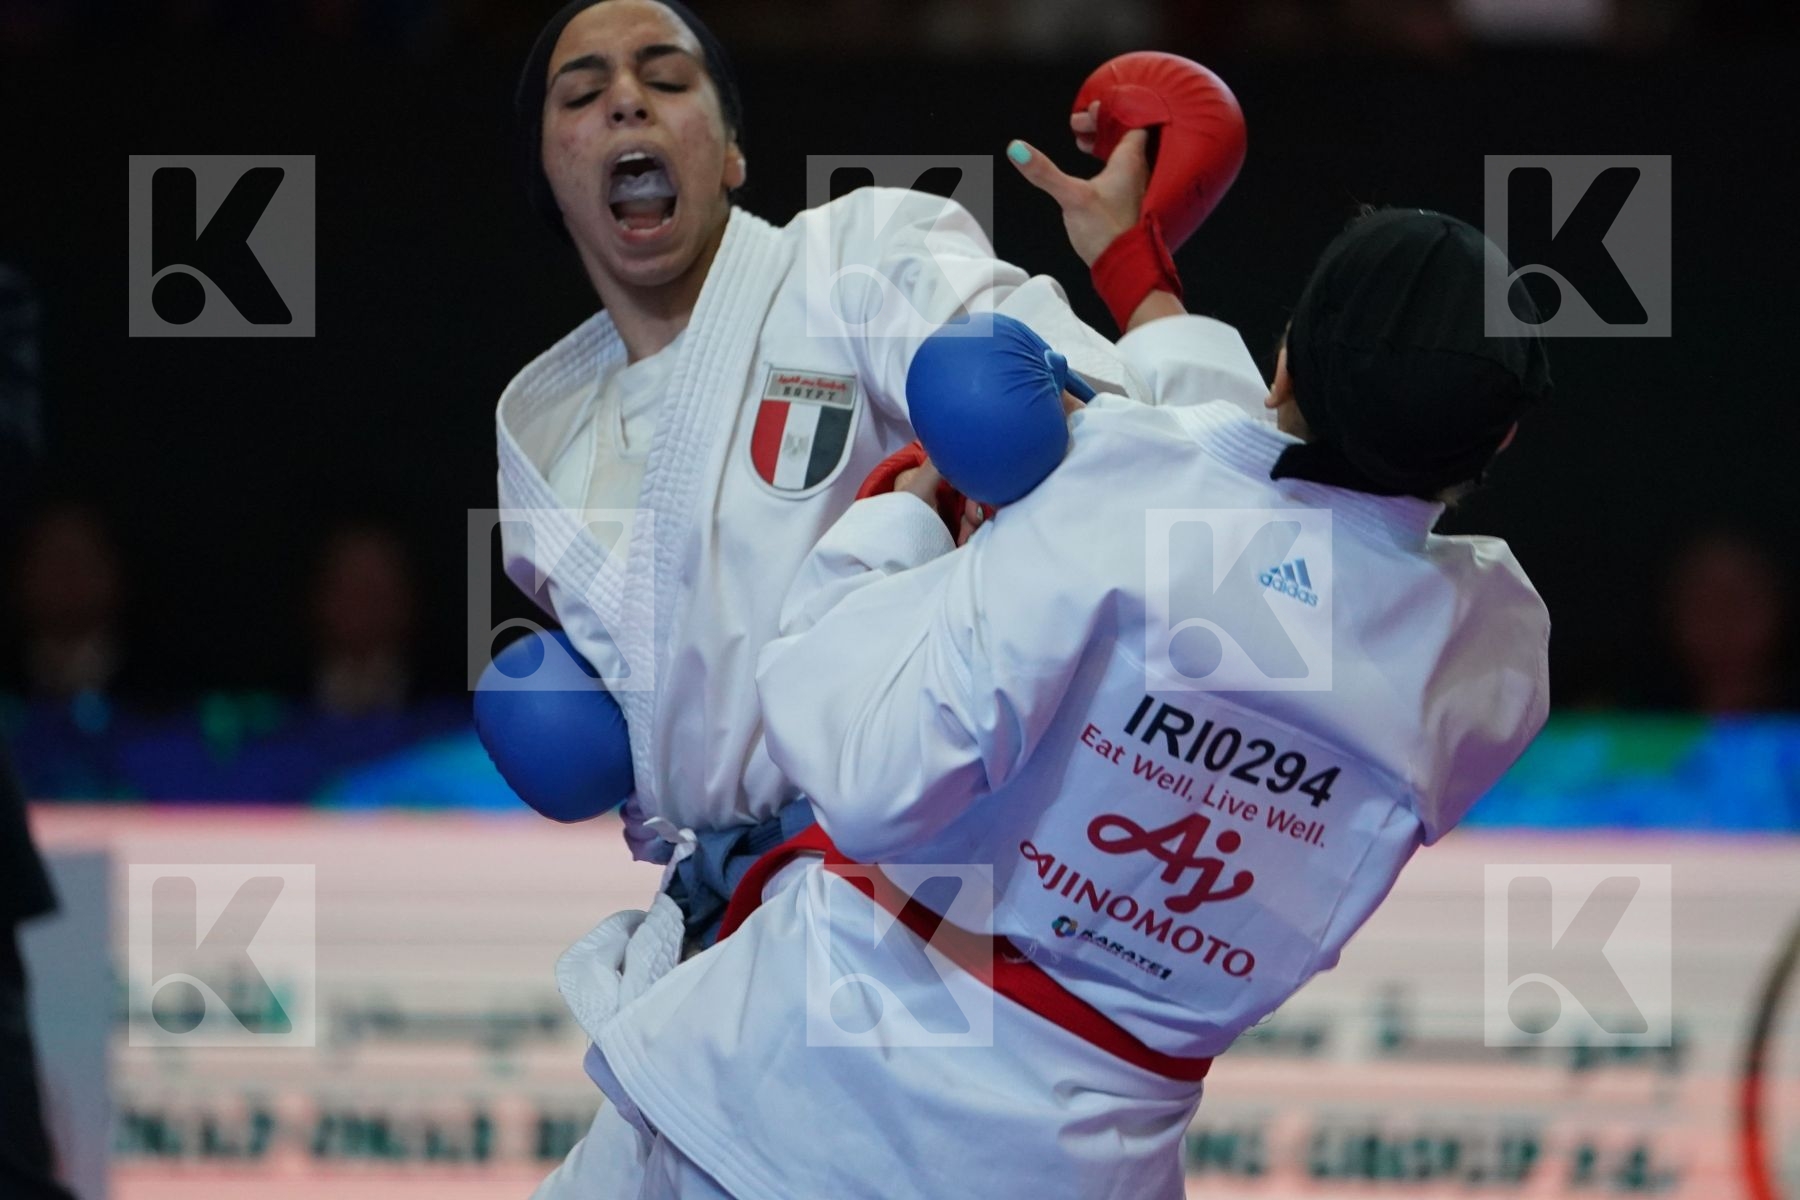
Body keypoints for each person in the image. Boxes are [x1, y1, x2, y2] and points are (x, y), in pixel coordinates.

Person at [560, 186, 1555, 1195]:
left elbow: (860, 773)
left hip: (794, 1104)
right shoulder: (1495, 660)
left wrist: (901, 514)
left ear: (1288, 355)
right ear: (1502, 441)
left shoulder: (1120, 481)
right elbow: (1276, 509)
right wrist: (1139, 277)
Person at [496, 2, 1168, 1193]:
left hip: (904, 895)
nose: (626, 103)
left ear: (734, 150)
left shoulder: (855, 259)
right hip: (725, 939)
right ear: (551, 169)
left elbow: (1057, 385)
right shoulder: (545, 440)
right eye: (581, 91)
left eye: (667, 78)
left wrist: (1066, 382)